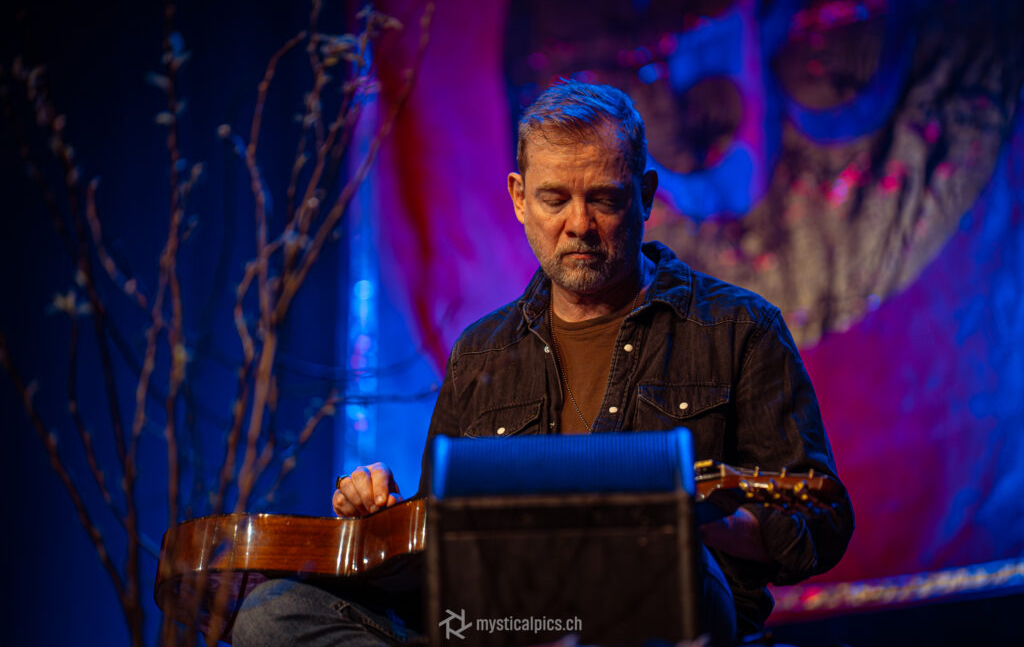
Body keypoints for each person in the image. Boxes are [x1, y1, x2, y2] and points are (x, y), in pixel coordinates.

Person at [234, 81, 854, 646]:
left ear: (644, 196)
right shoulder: (482, 352)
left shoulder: (740, 328)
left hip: (668, 618)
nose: (578, 225)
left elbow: (819, 525)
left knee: (669, 568)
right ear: (518, 198)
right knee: (272, 615)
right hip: (510, 626)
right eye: (555, 199)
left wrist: (689, 521)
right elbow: (446, 559)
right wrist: (385, 522)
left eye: (604, 199)